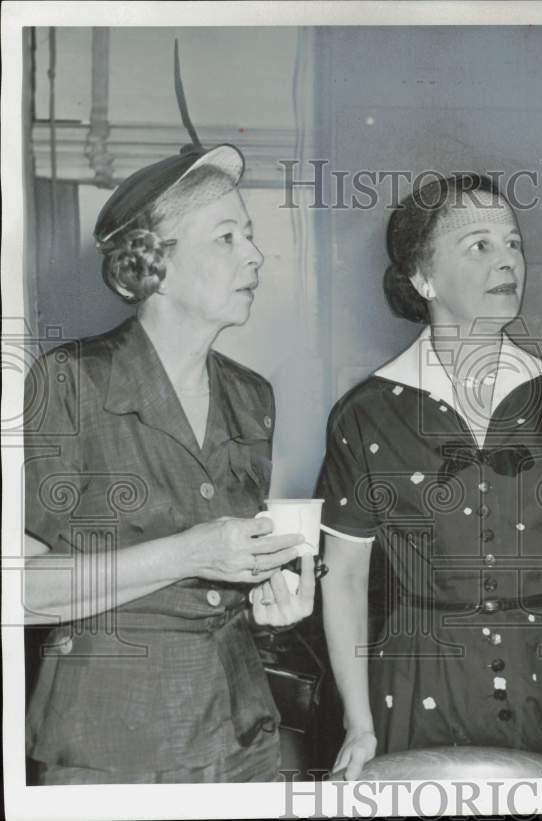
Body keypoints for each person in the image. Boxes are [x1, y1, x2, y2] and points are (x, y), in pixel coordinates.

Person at [23, 142, 316, 784]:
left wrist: (272, 589)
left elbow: (230, 560)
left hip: (243, 736)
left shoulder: (251, 395)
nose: (255, 255)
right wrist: (188, 553)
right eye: (226, 236)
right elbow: (19, 588)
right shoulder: (71, 383)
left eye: (251, 235)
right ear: (154, 262)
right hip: (112, 741)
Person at [317, 174, 542, 778]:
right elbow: (344, 577)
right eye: (478, 245)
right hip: (412, 682)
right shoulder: (369, 411)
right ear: (422, 278)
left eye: (513, 243)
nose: (507, 259)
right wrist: (358, 721)